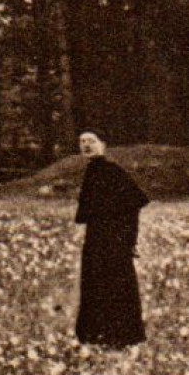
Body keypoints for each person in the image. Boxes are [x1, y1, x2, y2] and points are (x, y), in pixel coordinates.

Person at [73, 131, 151, 348]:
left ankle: (119, 336)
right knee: (95, 283)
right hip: (96, 238)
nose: (86, 145)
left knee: (115, 284)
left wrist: (129, 239)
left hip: (113, 240)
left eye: (92, 141)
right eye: (82, 141)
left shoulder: (111, 170)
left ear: (103, 145)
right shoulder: (92, 171)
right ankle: (97, 335)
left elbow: (134, 203)